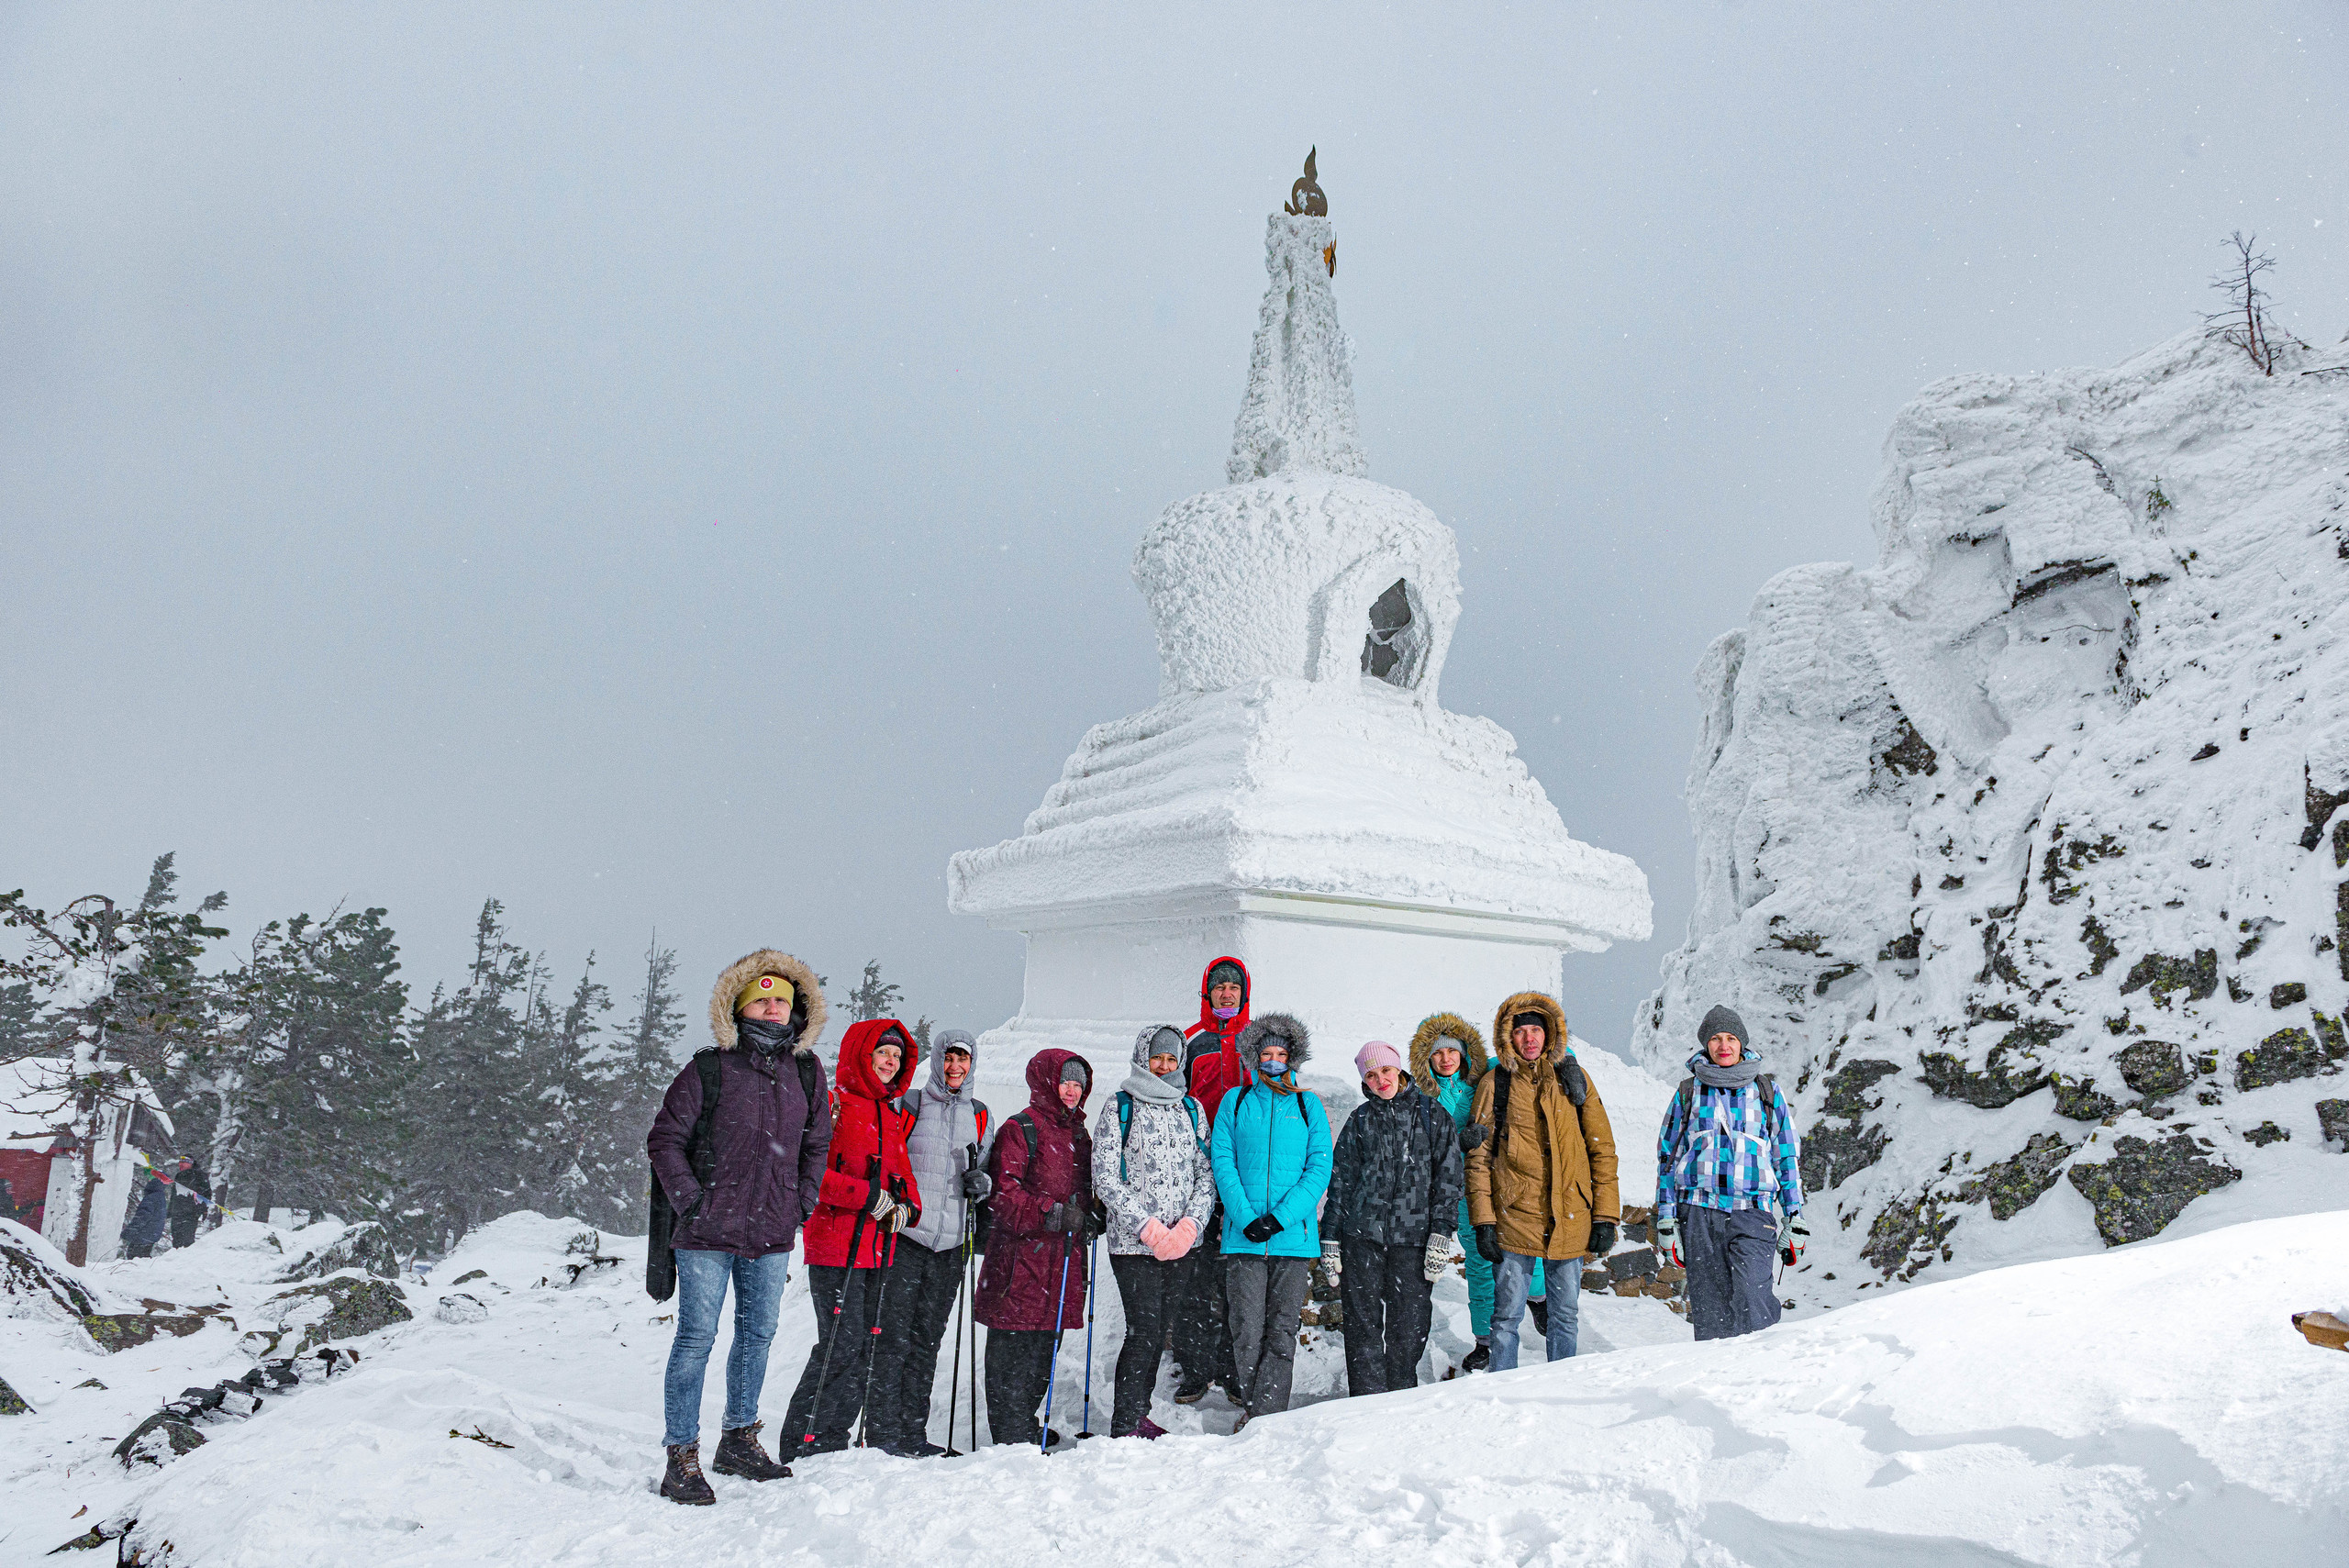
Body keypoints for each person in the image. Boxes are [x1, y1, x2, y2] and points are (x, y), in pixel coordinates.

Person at [648, 951, 833, 1504]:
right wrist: (691, 1201)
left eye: (782, 1000)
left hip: (772, 1231)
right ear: (739, 1006)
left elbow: (817, 1142)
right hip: (707, 1232)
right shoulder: (709, 1067)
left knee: (756, 1337)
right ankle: (681, 1456)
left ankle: (739, 1439)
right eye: (762, 999)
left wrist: (801, 1201)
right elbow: (665, 1140)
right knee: (696, 1339)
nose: (773, 1008)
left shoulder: (807, 1071)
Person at [783, 1017, 922, 1458]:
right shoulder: (832, 1103)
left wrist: (907, 1208)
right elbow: (810, 1174)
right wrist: (867, 1197)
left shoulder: (890, 1113)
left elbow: (902, 1175)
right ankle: (803, 1438)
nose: (890, 1062)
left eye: (897, 1056)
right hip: (836, 1244)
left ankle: (832, 1438)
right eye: (883, 1052)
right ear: (863, 1053)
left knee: (864, 1347)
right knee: (840, 1344)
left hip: (877, 1248)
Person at [1464, 993, 1618, 1373]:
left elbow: (1602, 1149)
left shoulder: (1575, 1079)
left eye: (1537, 1030)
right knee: (1505, 1321)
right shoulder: (1494, 1083)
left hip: (1569, 1214)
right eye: (1521, 1032)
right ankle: (1502, 1392)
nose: (1530, 1039)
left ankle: (1560, 1388)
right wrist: (1483, 1221)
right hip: (1515, 1215)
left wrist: (1606, 1215)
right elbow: (1479, 1157)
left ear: (1549, 1034)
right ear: (1508, 1038)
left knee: (1564, 1317)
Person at [868, 1028, 992, 1456]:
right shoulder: (911, 1105)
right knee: (893, 1336)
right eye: (949, 1058)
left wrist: (984, 1183)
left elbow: (987, 1171)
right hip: (906, 1237)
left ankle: (912, 1433)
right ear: (936, 1060)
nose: (955, 1067)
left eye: (963, 1060)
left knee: (927, 1340)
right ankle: (883, 1432)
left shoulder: (980, 1115)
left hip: (951, 1245)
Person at [1652, 1005, 1807, 1342]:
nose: (1724, 1045)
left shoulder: (1767, 1092)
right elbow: (1667, 1158)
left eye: (1731, 1038)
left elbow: (1786, 1156)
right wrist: (1666, 1219)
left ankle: (1763, 1376)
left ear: (1742, 1044)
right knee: (1711, 1311)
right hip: (1699, 1213)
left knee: (1754, 1297)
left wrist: (1795, 1217)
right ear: (1706, 1045)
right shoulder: (1688, 1093)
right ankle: (1717, 1388)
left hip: (1752, 1212)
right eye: (1716, 1039)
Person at [1091, 1024, 1217, 1439]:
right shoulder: (1120, 1106)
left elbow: (1206, 1174)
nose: (1163, 1067)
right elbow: (1106, 1175)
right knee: (1143, 1330)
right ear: (1142, 1057)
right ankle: (1126, 1421)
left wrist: (1190, 1225)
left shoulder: (1192, 1109)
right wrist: (1148, 1228)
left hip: (1181, 1243)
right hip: (1134, 1244)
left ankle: (1137, 1412)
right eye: (1156, 1058)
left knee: (1160, 1327)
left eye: (1170, 1059)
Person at [1209, 1013, 1330, 1427]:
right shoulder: (1235, 1102)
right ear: (1253, 1057)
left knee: (1281, 1329)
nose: (1274, 1061)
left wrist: (1279, 1218)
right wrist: (1245, 1217)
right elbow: (1222, 1160)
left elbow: (1318, 1168)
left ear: (1293, 1059)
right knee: (1246, 1327)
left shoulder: (1307, 1104)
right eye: (1267, 1054)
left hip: (1292, 1238)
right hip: (1243, 1238)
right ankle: (1256, 1405)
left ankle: (1265, 1413)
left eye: (1281, 1054)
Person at [975, 1048, 1097, 1447]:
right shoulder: (1020, 1128)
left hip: (1060, 1263)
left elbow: (1084, 1191)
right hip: (1019, 1263)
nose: (1072, 1091)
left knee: (1044, 1349)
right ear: (1046, 1082)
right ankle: (1010, 1435)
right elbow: (1004, 1194)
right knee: (1013, 1350)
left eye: (1078, 1084)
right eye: (1065, 1081)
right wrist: (1052, 1214)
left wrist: (1092, 1213)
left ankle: (1024, 1425)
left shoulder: (1080, 1134)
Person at [1326, 1040, 1463, 1397]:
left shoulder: (1433, 1116)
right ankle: (1367, 1401)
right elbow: (1340, 1181)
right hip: (1362, 1238)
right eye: (1371, 1075)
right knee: (1362, 1326)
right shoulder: (1360, 1120)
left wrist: (1441, 1233)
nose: (1380, 1080)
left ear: (1399, 1070)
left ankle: (1402, 1397)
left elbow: (1448, 1179)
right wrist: (1330, 1238)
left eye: (1385, 1070)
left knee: (1410, 1326)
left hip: (1412, 1241)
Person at [1173, 954, 1253, 1404]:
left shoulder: (1258, 1042)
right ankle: (1195, 1366)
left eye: (1234, 988)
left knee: (1236, 1276)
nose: (1227, 994)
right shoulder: (1190, 1042)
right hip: (1196, 1171)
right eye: (1220, 987)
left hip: (1242, 1172)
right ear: (1208, 992)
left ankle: (1234, 1368)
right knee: (1195, 1275)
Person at [1410, 1012, 1496, 1370]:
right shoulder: (1420, 1096)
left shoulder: (1484, 1081)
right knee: (1472, 1263)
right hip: (1443, 1189)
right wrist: (1458, 1143)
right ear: (1426, 1060)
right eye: (1437, 1054)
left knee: (1498, 1256)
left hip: (1485, 1184)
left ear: (1464, 1054)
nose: (1446, 1059)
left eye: (1452, 1052)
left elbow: (1527, 1051)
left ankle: (1530, 1308)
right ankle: (1485, 1340)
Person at [119, 1164, 173, 1258]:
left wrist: (129, 1231)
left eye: (151, 1178)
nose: (148, 1180)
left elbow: (142, 1216)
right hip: (151, 1236)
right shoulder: (160, 1196)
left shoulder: (152, 1197)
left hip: (142, 1237)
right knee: (143, 1261)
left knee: (134, 1260)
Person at [168, 1158, 211, 1251]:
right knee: (176, 1238)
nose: (181, 1165)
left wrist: (203, 1210)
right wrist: (169, 1210)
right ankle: (175, 1258)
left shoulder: (200, 1175)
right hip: (177, 1211)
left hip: (191, 1212)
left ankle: (188, 1259)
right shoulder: (179, 1175)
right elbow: (174, 1194)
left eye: (183, 1163)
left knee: (188, 1239)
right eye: (180, 1162)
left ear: (190, 1163)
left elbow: (206, 1194)